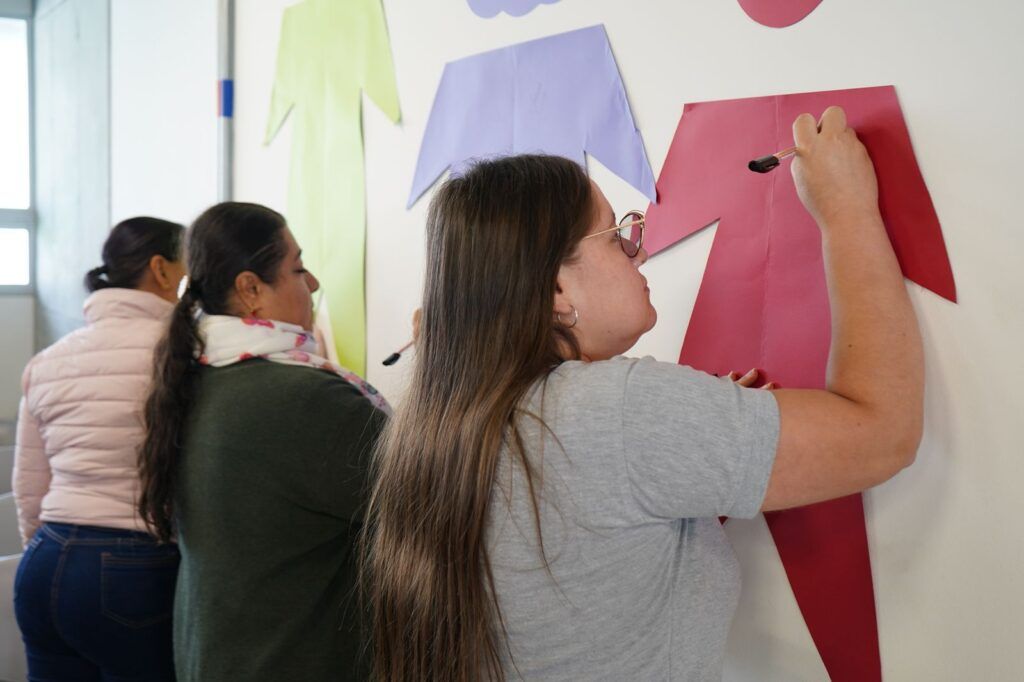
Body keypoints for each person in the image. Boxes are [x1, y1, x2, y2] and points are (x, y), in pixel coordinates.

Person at [363, 107, 924, 681]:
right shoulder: (614, 413)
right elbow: (881, 432)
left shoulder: (440, 423)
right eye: (616, 235)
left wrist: (687, 446)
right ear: (556, 288)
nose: (642, 250)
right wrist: (847, 211)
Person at [138, 202, 388, 681]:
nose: (312, 283)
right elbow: (437, 500)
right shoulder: (305, 401)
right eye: (298, 268)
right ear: (250, 289)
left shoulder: (198, 382)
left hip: (218, 659)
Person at [13, 217, 186, 681]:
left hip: (43, 562)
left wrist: (60, 560)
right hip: (134, 566)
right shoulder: (183, 356)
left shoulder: (48, 360)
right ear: (161, 270)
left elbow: (29, 486)